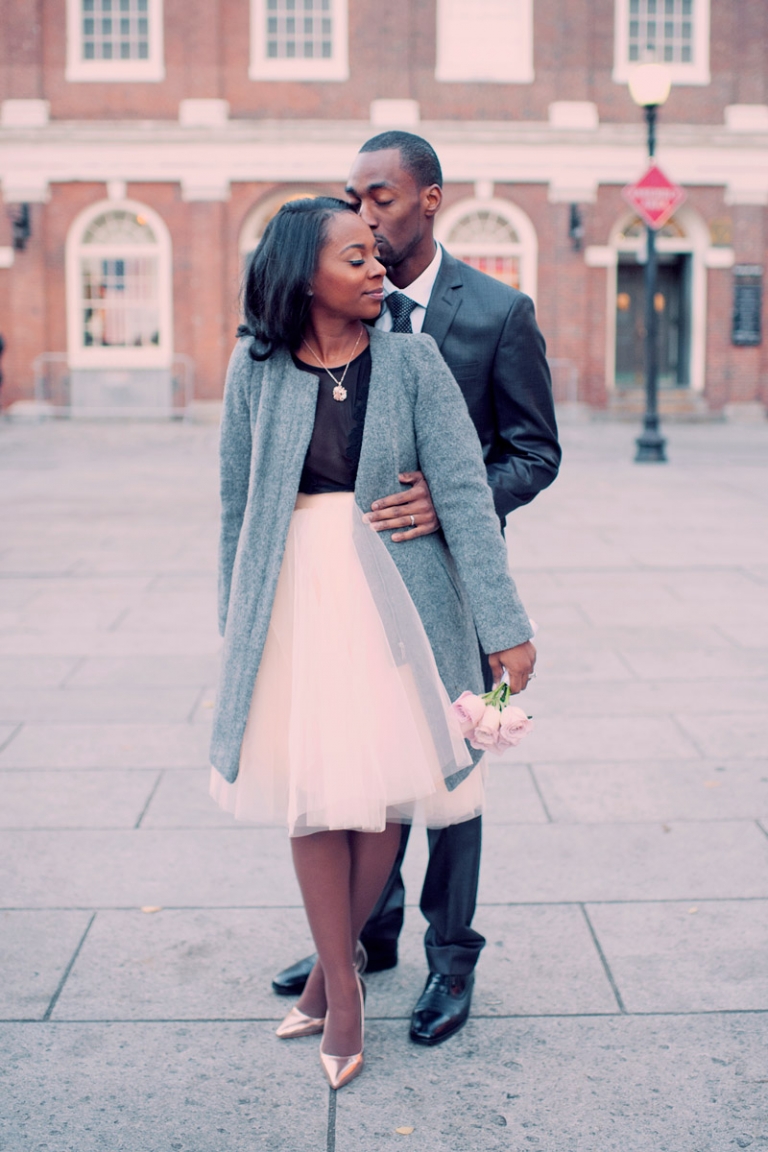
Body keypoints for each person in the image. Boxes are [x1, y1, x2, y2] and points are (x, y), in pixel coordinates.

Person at [209, 196, 536, 1089]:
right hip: (292, 600)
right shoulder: (257, 367)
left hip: (395, 597)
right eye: (354, 256)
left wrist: (505, 628)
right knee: (314, 791)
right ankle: (343, 990)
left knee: (385, 787)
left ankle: (329, 975)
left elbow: (465, 496)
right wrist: (233, 620)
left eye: (376, 254)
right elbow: (236, 507)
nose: (377, 267)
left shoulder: (413, 360)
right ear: (301, 273)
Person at [272, 132, 560, 1046]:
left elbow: (535, 452)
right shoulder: (335, 312)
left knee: (448, 774)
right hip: (346, 588)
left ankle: (451, 959)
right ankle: (360, 939)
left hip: (447, 582)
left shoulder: (498, 313)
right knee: (361, 758)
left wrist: (452, 495)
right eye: (353, 199)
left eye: (382, 197)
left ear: (429, 199)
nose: (366, 213)